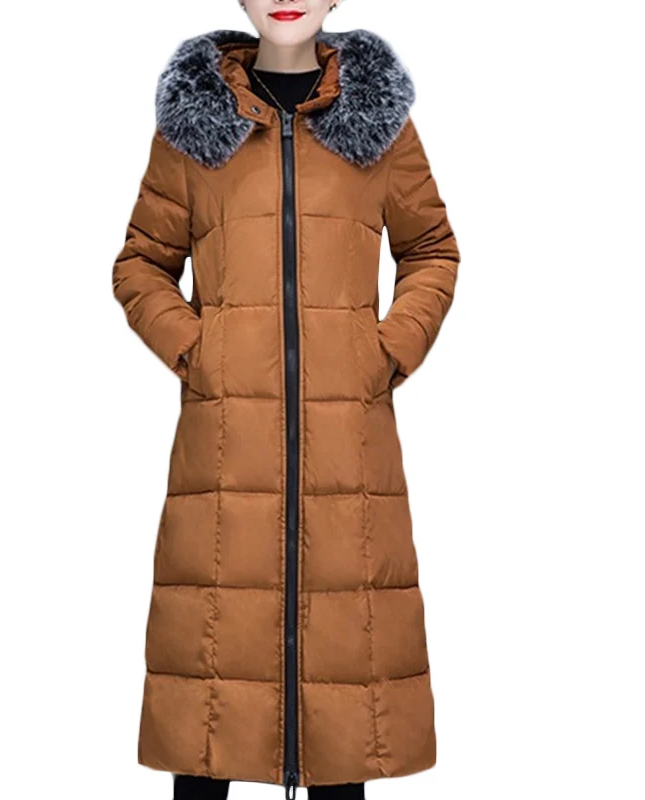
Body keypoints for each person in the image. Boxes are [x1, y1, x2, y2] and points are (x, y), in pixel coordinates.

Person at [111, 1, 461, 798]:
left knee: (345, 700)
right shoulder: (194, 129)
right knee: (208, 697)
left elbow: (431, 250)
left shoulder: (378, 126)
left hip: (351, 458)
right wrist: (198, 349)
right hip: (223, 454)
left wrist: (385, 351)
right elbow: (140, 263)